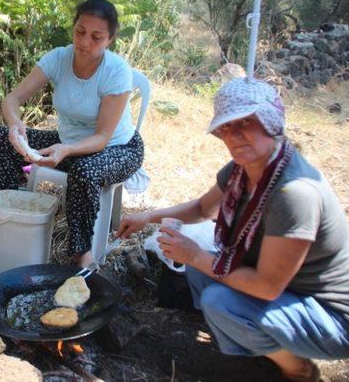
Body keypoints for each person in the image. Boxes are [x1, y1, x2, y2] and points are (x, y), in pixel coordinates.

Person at [116, 77, 349, 381]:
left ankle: (298, 368)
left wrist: (197, 255)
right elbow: (203, 209)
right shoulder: (242, 171)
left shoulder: (294, 194)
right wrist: (149, 217)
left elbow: (267, 286)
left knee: (217, 299)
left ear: (271, 121)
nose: (234, 135)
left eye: (246, 122)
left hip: (330, 317)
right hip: (290, 292)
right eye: (226, 127)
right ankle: (249, 339)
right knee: (201, 272)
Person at [0, 0, 144, 267]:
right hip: (67, 141)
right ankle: (4, 220)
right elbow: (11, 100)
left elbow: (102, 137)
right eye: (80, 32)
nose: (84, 43)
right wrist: (15, 123)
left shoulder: (116, 71)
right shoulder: (58, 58)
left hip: (116, 148)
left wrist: (66, 149)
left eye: (96, 37)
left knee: (85, 170)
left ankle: (81, 253)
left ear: (110, 39)